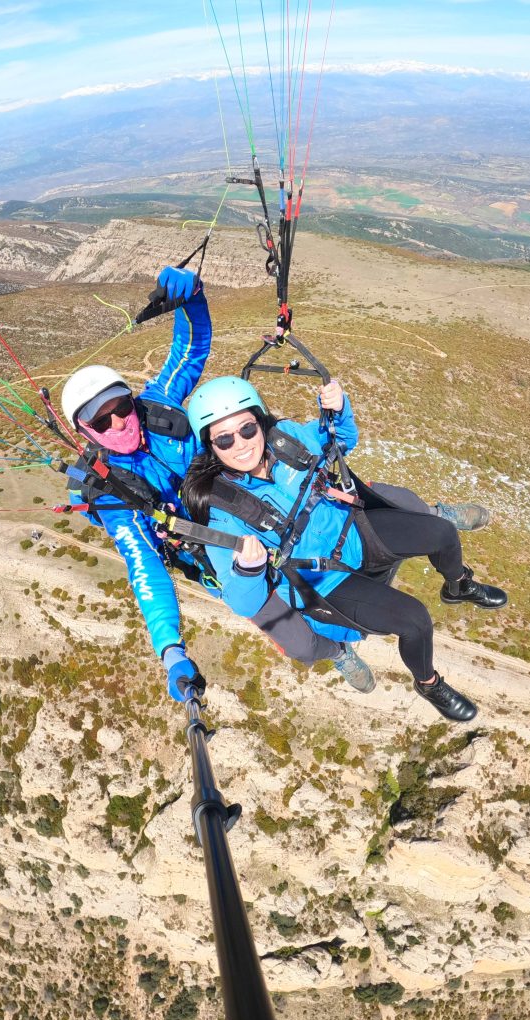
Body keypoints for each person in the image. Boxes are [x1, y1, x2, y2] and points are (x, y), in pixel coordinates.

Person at [58, 266, 377, 700]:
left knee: (342, 534)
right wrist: (171, 650)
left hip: (253, 497)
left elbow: (189, 351)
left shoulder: (158, 407)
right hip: (218, 551)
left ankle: (425, 530)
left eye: (121, 406)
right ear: (85, 431)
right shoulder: (112, 494)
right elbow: (144, 570)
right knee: (299, 639)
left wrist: (191, 299)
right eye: (101, 419)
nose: (118, 420)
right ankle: (337, 652)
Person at [182, 375, 509, 722]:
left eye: (246, 429)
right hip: (325, 581)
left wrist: (339, 409)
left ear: (260, 422)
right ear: (211, 446)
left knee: (442, 532)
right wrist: (248, 570)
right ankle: (428, 683)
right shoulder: (221, 511)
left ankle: (457, 586)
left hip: (354, 532)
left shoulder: (288, 439)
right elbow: (243, 600)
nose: (240, 444)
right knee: (415, 621)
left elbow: (342, 440)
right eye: (224, 438)